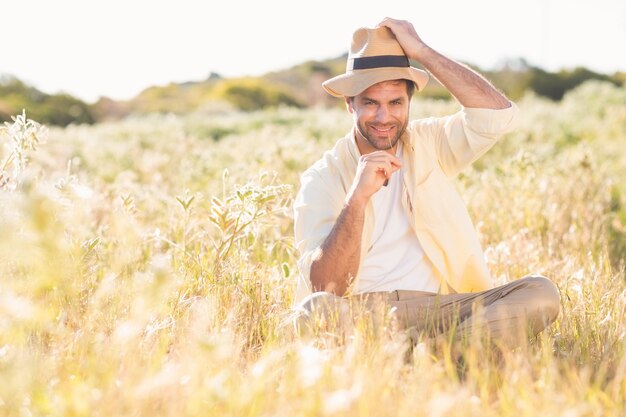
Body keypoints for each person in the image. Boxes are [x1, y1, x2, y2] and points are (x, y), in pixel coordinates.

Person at [291, 18, 561, 348]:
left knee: (541, 293)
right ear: (350, 104)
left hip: (445, 309)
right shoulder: (323, 177)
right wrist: (357, 199)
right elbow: (325, 286)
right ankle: (445, 355)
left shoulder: (429, 141)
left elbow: (497, 116)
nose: (383, 117)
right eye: (371, 103)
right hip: (365, 314)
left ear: (409, 103)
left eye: (395, 103)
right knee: (313, 311)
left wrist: (421, 52)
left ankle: (427, 354)